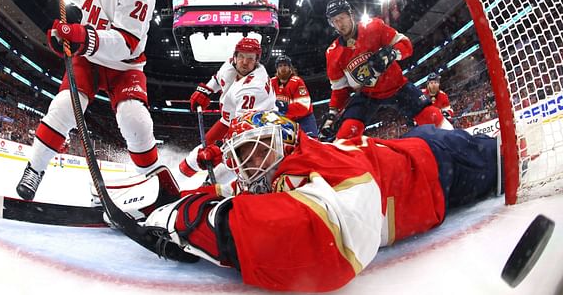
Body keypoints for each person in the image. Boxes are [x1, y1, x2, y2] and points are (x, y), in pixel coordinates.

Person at [138, 110, 500, 292]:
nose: (246, 167)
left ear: (281, 139)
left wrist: (194, 222)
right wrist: (178, 199)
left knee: (511, 160)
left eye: (252, 151)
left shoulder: (308, 165)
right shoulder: (288, 168)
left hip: (438, 164)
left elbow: (324, 239)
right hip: (411, 148)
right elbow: (245, 195)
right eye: (240, 157)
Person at [16, 0, 161, 201]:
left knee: (135, 120)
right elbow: (91, 0)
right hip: (89, 60)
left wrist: (81, 36)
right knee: (64, 107)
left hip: (124, 67)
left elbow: (126, 43)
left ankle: (155, 181)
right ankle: (34, 169)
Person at [319, 0, 452, 141]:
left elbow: (406, 45)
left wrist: (393, 53)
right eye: (335, 21)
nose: (340, 24)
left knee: (432, 117)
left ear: (351, 15)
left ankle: (455, 143)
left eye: (342, 18)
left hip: (397, 87)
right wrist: (332, 114)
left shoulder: (373, 27)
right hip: (366, 95)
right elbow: (340, 90)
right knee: (345, 135)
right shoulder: (332, 53)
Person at [179, 37, 276, 179]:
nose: (244, 62)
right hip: (229, 120)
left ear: (257, 60)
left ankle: (214, 190)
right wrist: (205, 90)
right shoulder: (229, 65)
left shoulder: (254, 87)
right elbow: (218, 79)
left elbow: (241, 128)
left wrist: (219, 147)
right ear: (234, 57)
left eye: (250, 58)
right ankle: (178, 177)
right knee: (199, 153)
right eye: (241, 56)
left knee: (228, 166)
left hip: (255, 131)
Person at [271, 55, 317, 137]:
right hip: (285, 121)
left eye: (285, 65)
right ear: (277, 69)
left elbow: (303, 106)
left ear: (290, 68)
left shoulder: (297, 82)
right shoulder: (272, 82)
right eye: (280, 66)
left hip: (304, 120)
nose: (283, 68)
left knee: (311, 146)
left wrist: (284, 108)